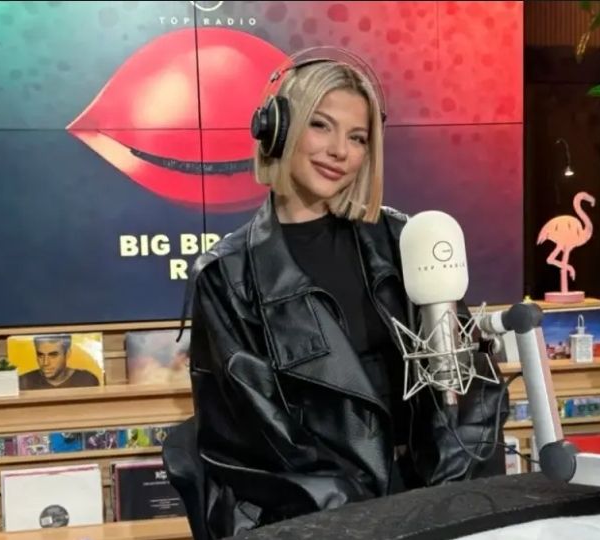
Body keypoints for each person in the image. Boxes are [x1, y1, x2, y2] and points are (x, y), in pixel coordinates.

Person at [185, 48, 509, 538]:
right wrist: (363, 521)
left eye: (357, 137)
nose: (340, 151)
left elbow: (466, 390)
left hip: (428, 497)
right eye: (321, 126)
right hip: (318, 516)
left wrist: (449, 504)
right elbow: (258, 441)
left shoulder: (404, 241)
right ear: (277, 130)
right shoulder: (227, 276)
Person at [19, 334, 100, 390]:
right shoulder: (24, 381)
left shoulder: (87, 380)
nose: (45, 363)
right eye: (40, 355)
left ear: (67, 354)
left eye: (53, 355)